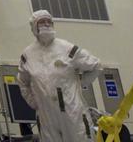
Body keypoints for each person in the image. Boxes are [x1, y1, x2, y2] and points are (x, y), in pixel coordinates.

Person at [17, 9, 100, 142]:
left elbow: (95, 66)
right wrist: (34, 102)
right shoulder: (28, 55)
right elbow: (23, 82)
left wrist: (78, 84)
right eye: (41, 22)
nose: (46, 24)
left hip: (72, 112)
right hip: (46, 116)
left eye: (48, 21)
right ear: (34, 27)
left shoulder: (67, 49)